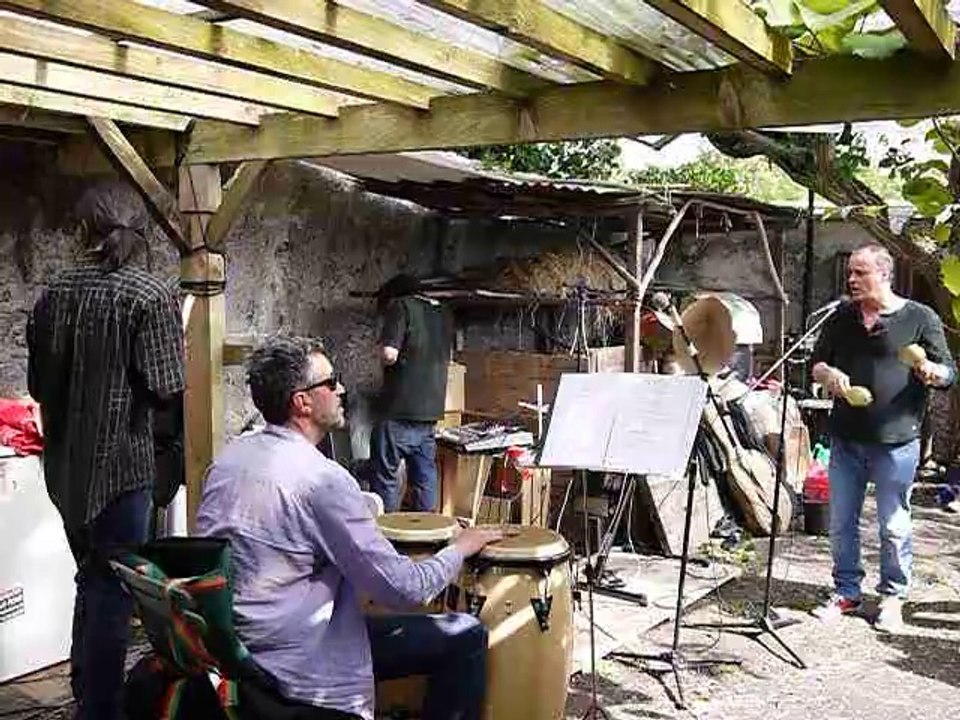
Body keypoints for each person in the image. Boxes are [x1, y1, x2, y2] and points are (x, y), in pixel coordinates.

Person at [196, 336, 501, 720]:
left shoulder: (230, 457)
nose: (341, 389)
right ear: (301, 402)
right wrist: (460, 547)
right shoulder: (323, 480)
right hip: (299, 663)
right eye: (330, 382)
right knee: (465, 635)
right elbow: (405, 590)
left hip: (240, 649)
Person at [27, 180, 185, 720]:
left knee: (91, 578)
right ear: (136, 229)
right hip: (123, 470)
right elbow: (167, 384)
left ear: (82, 230)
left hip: (65, 471)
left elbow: (36, 386)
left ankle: (84, 693)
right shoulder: (150, 294)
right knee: (116, 591)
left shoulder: (52, 295)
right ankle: (101, 710)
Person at [811, 244, 955, 632]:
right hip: (845, 438)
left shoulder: (920, 318)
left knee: (893, 524)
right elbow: (818, 363)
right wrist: (829, 376)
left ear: (884, 275)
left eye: (860, 273)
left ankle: (892, 597)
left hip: (898, 441)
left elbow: (949, 373)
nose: (852, 280)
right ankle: (846, 591)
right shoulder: (842, 316)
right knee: (841, 522)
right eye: (851, 274)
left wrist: (931, 371)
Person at [370, 274, 452, 512]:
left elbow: (389, 354)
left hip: (399, 409)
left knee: (385, 476)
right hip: (430, 412)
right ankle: (425, 533)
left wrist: (375, 350)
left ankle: (386, 535)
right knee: (424, 477)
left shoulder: (400, 306)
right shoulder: (442, 313)